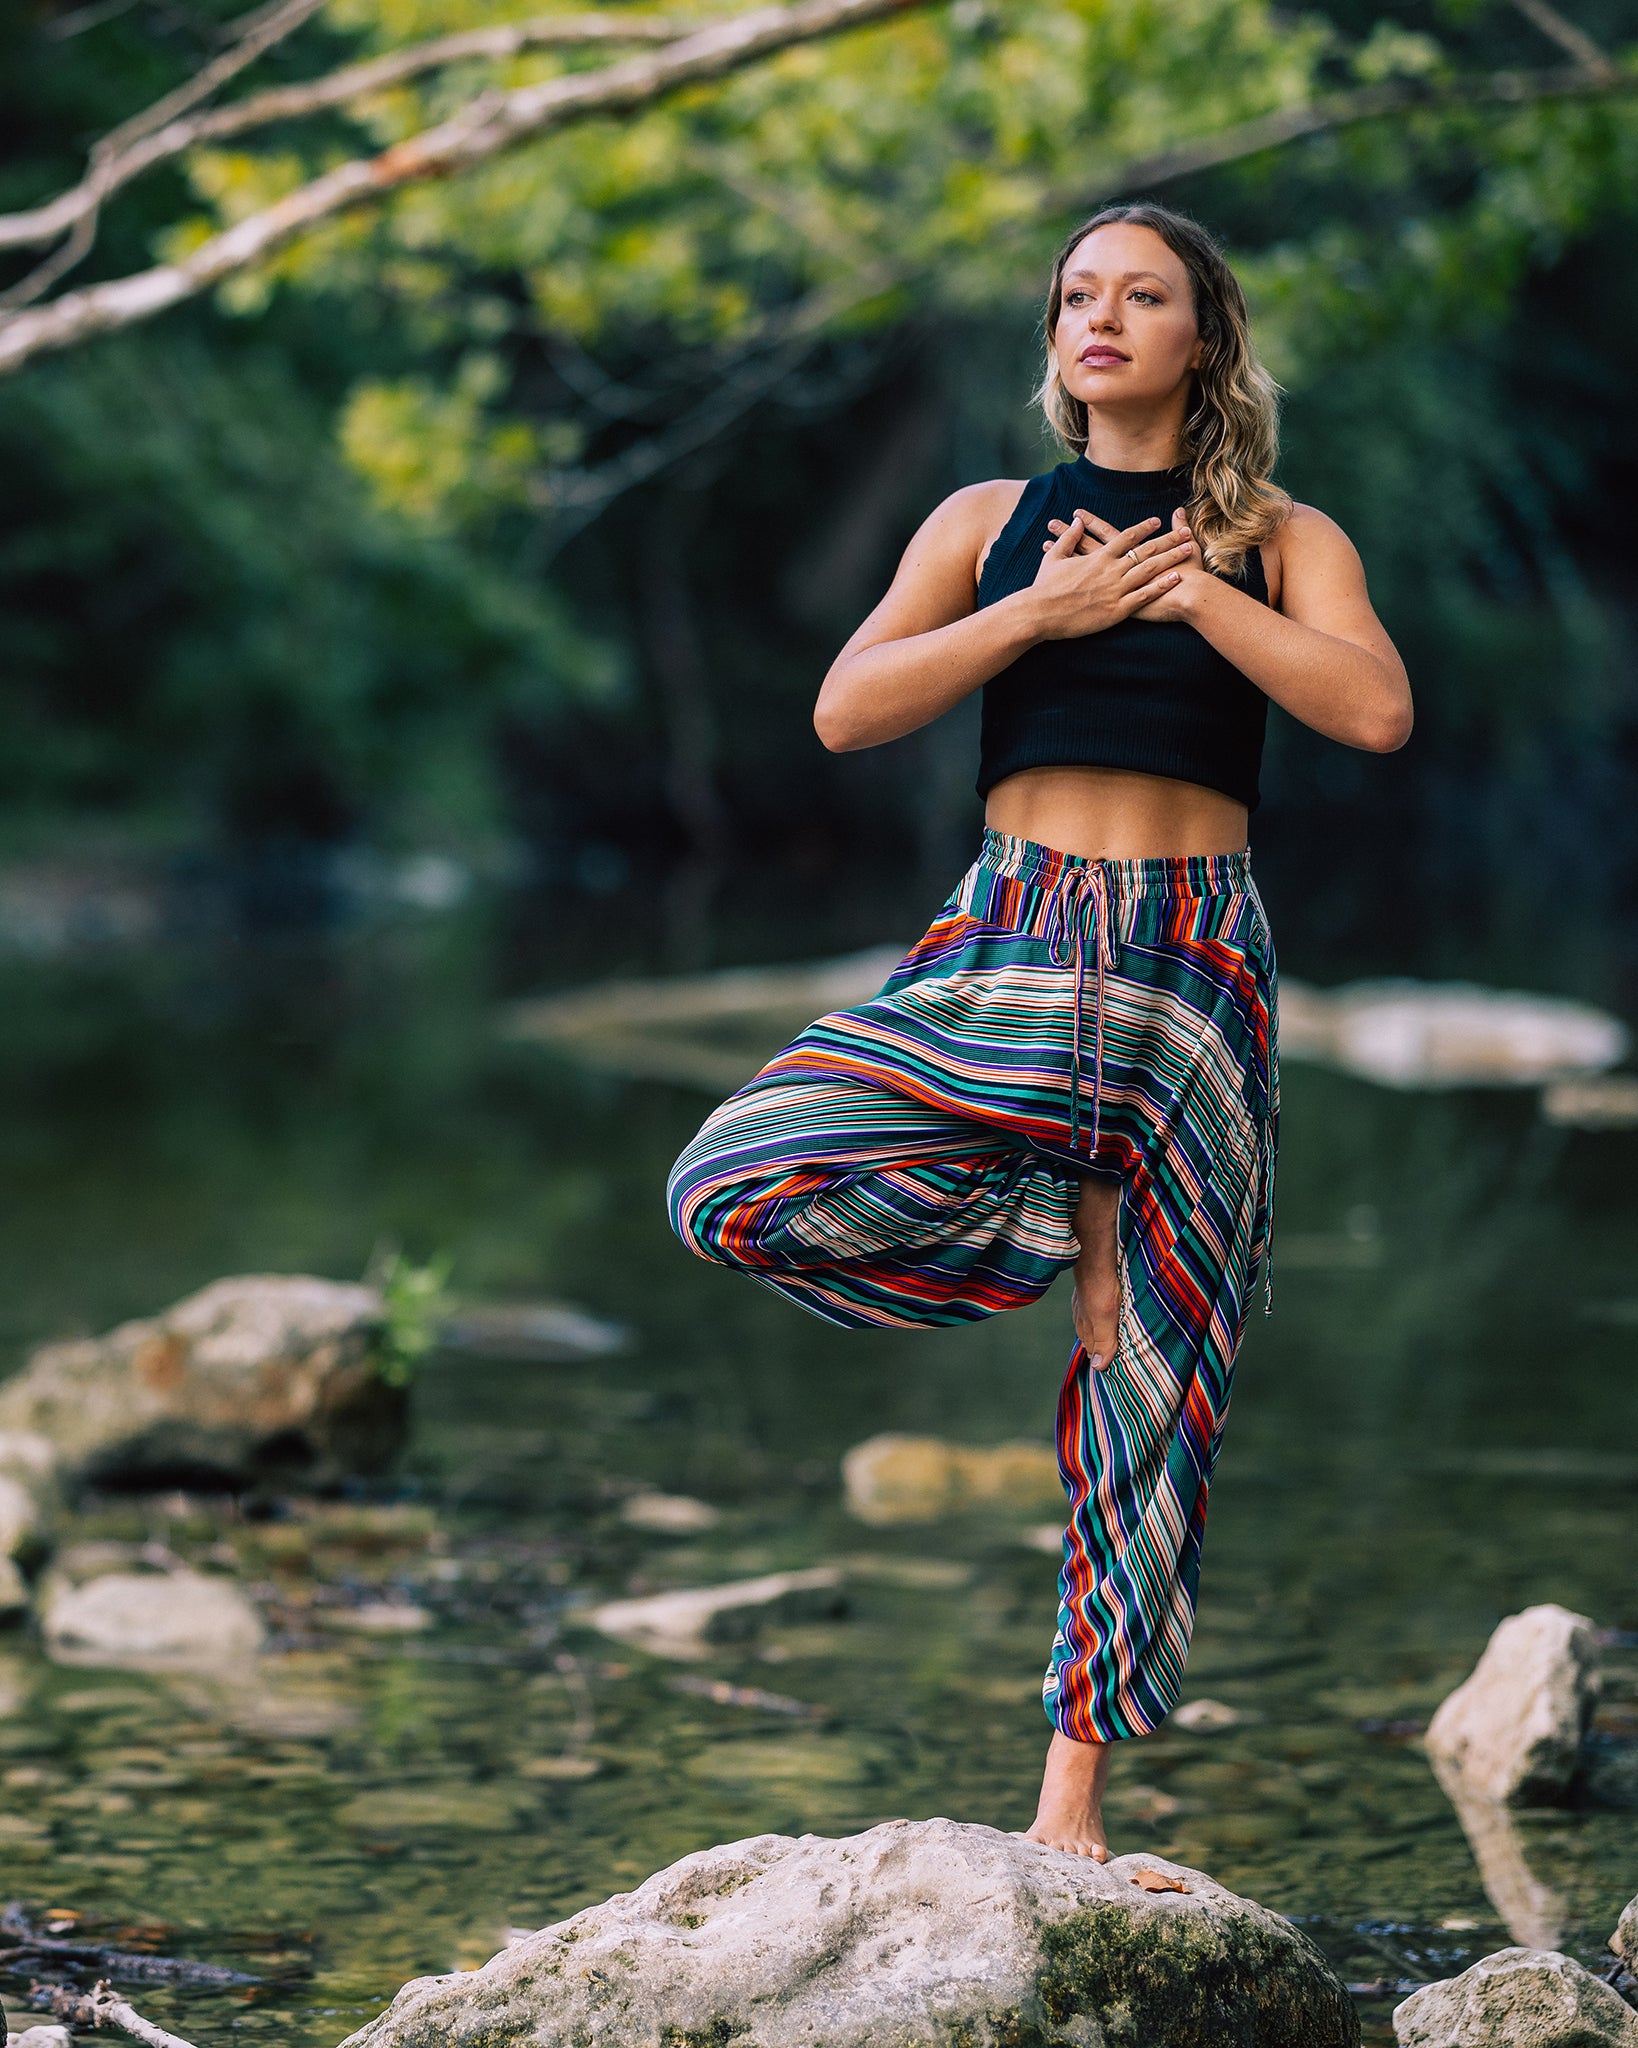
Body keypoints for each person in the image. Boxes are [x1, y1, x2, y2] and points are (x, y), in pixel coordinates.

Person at [667, 202, 1411, 1859]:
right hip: (1010, 936)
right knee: (729, 1180)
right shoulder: (986, 519)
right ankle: (1032, 1229)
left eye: (1141, 295)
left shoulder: (1283, 538)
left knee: (1151, 1375)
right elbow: (848, 709)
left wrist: (1189, 600)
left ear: (1201, 337)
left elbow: (1370, 710)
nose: (1100, 318)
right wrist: (1040, 620)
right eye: (1078, 293)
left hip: (1194, 965)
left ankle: (1069, 1787)